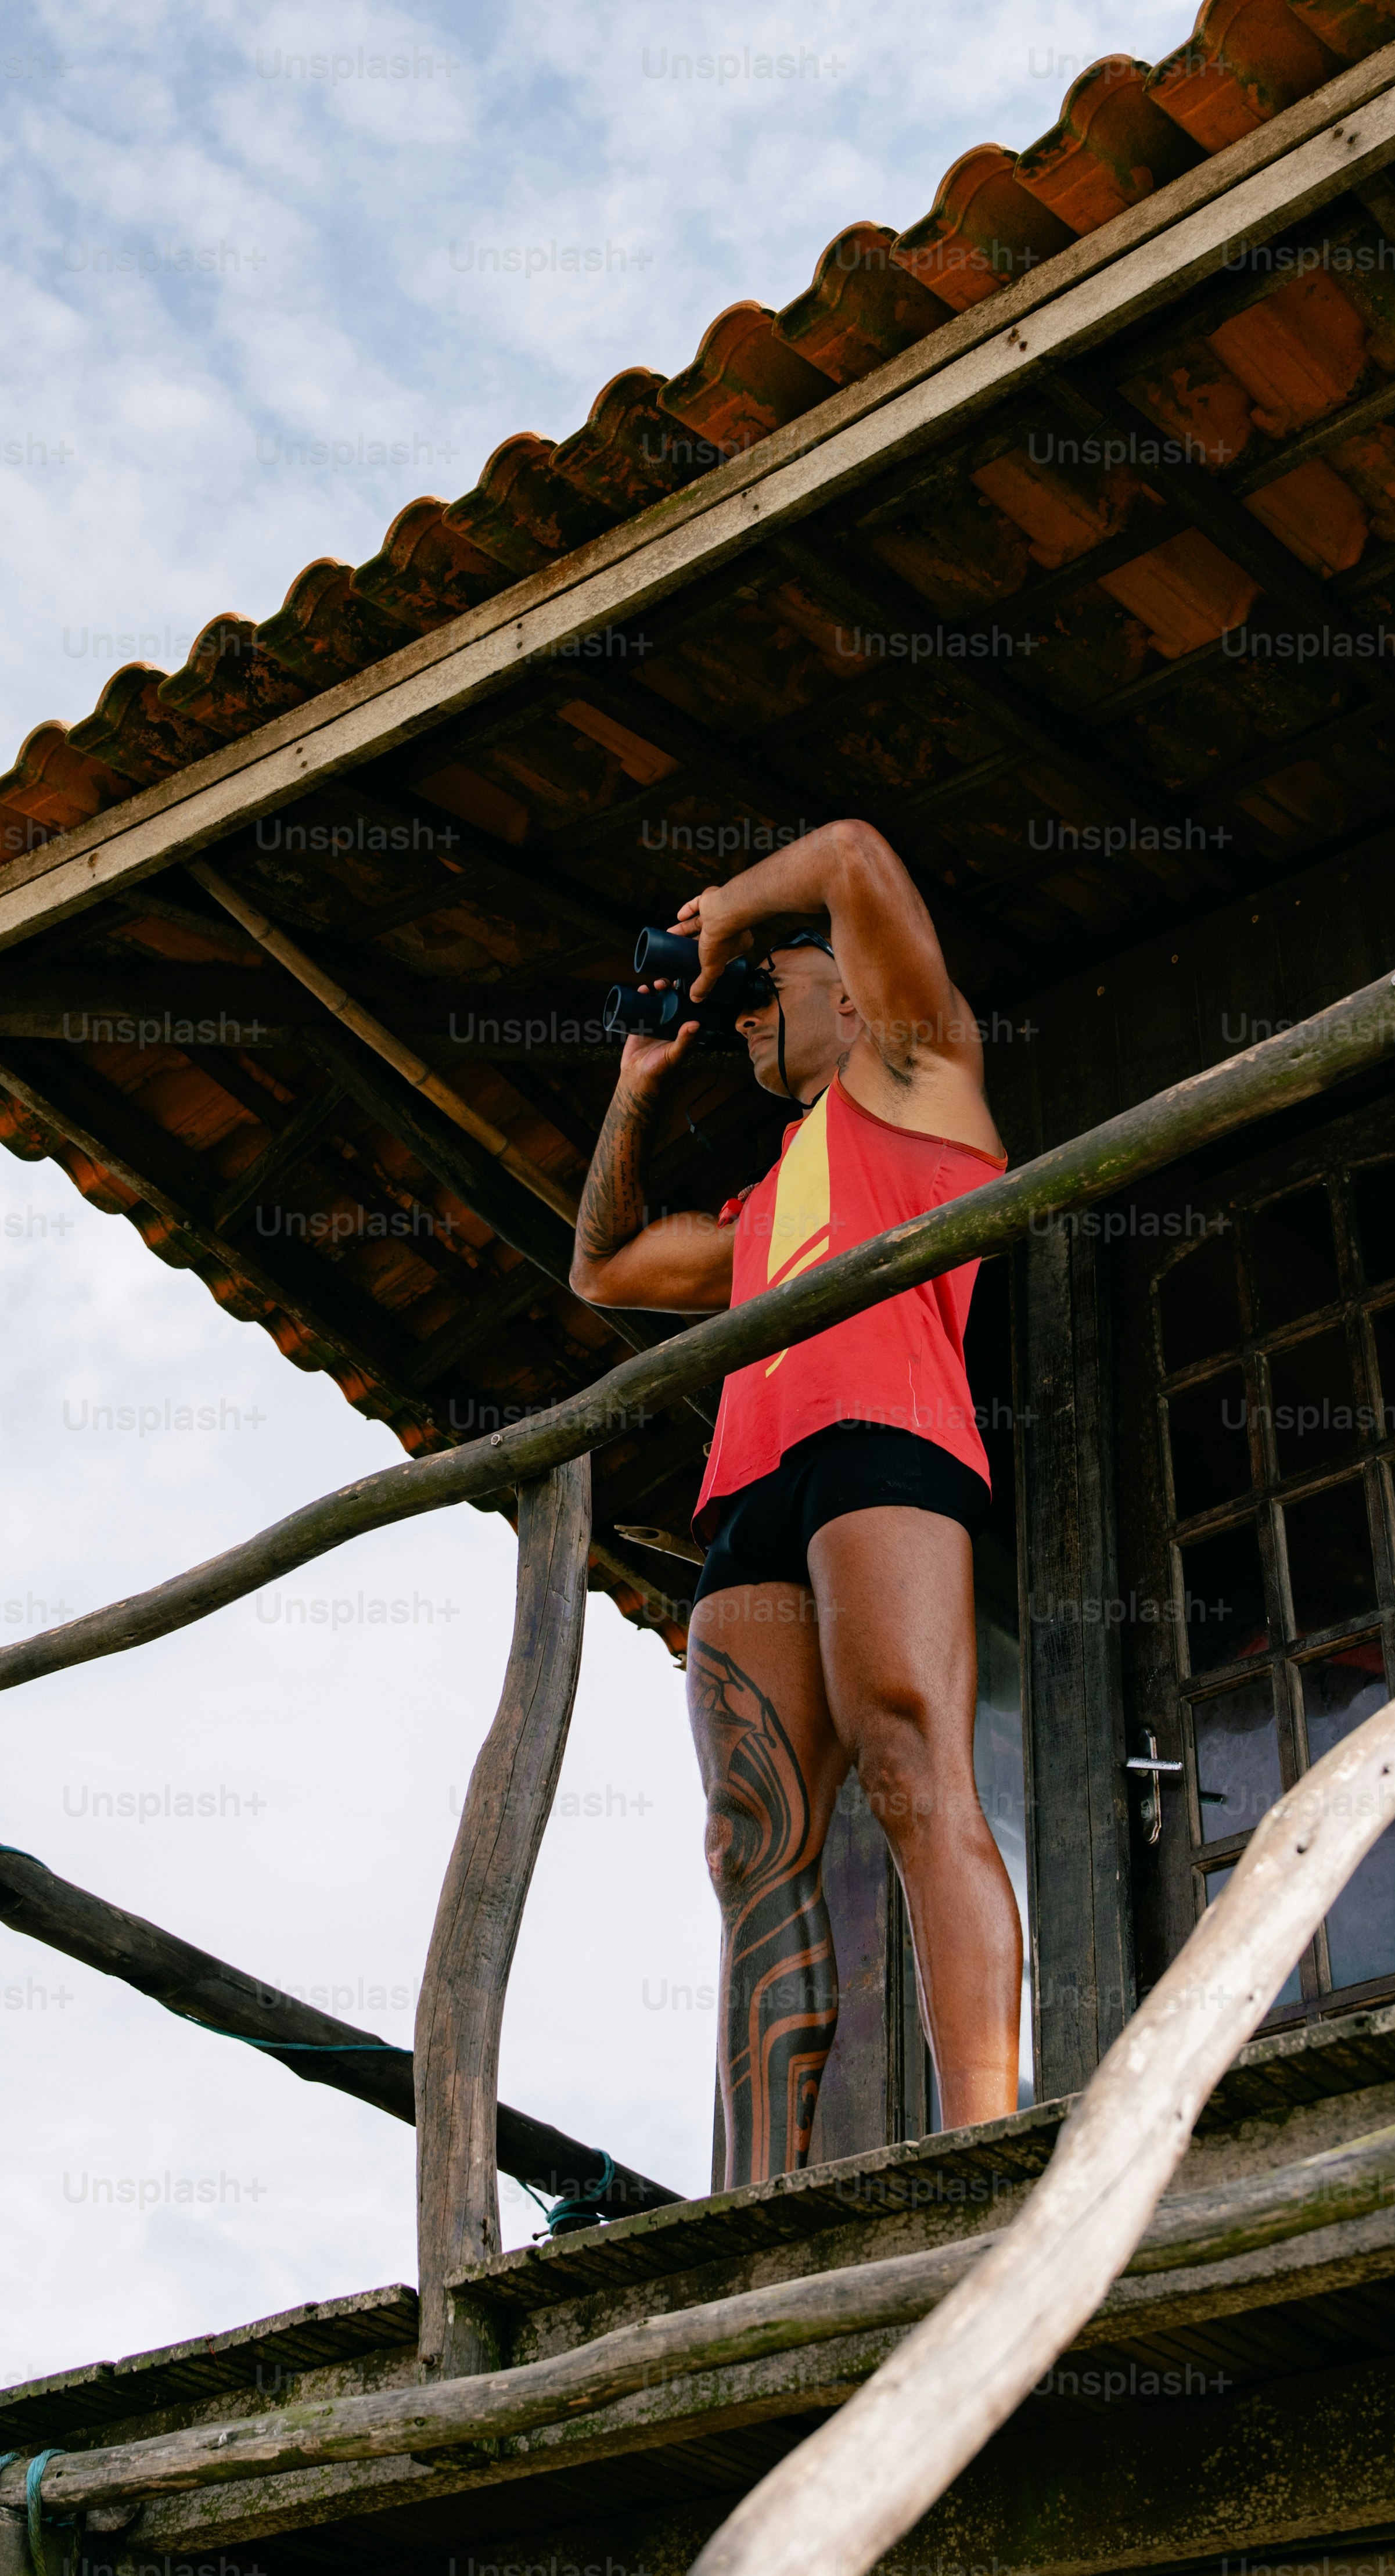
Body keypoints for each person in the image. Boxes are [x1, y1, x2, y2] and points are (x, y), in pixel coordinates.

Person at [565, 817, 1016, 2187]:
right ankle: (756, 2196)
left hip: (889, 1441)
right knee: (748, 1839)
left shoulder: (923, 1070)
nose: (749, 1012)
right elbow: (606, 1267)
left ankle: (989, 2142)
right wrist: (643, 1073)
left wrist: (717, 926)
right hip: (753, 1487)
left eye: (771, 986)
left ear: (845, 987)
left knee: (908, 1762)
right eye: (738, 998)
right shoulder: (762, 1204)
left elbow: (863, 855)